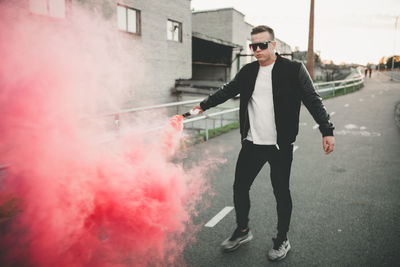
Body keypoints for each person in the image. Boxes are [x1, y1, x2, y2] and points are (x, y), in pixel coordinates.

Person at [192, 25, 335, 261]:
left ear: (274, 45)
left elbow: (313, 100)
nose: (256, 49)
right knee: (239, 187)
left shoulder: (293, 70)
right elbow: (228, 90)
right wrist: (204, 105)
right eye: (253, 45)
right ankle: (242, 230)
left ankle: (282, 239)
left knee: (280, 192)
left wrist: (326, 130)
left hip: (280, 146)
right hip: (252, 143)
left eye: (262, 45)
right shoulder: (248, 72)